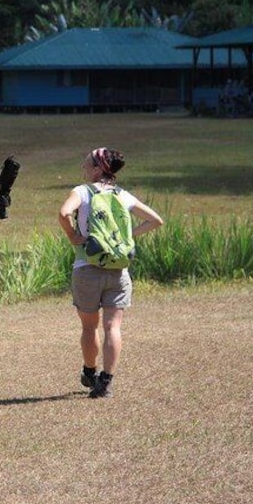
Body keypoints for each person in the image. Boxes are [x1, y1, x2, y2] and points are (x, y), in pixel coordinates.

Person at [58, 147, 163, 398]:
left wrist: (74, 236)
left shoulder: (82, 192)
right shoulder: (123, 195)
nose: (83, 168)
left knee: (89, 327)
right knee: (112, 327)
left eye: (86, 164)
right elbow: (156, 220)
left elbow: (64, 213)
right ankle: (105, 382)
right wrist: (128, 236)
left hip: (87, 269)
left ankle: (90, 371)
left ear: (97, 169)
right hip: (119, 270)